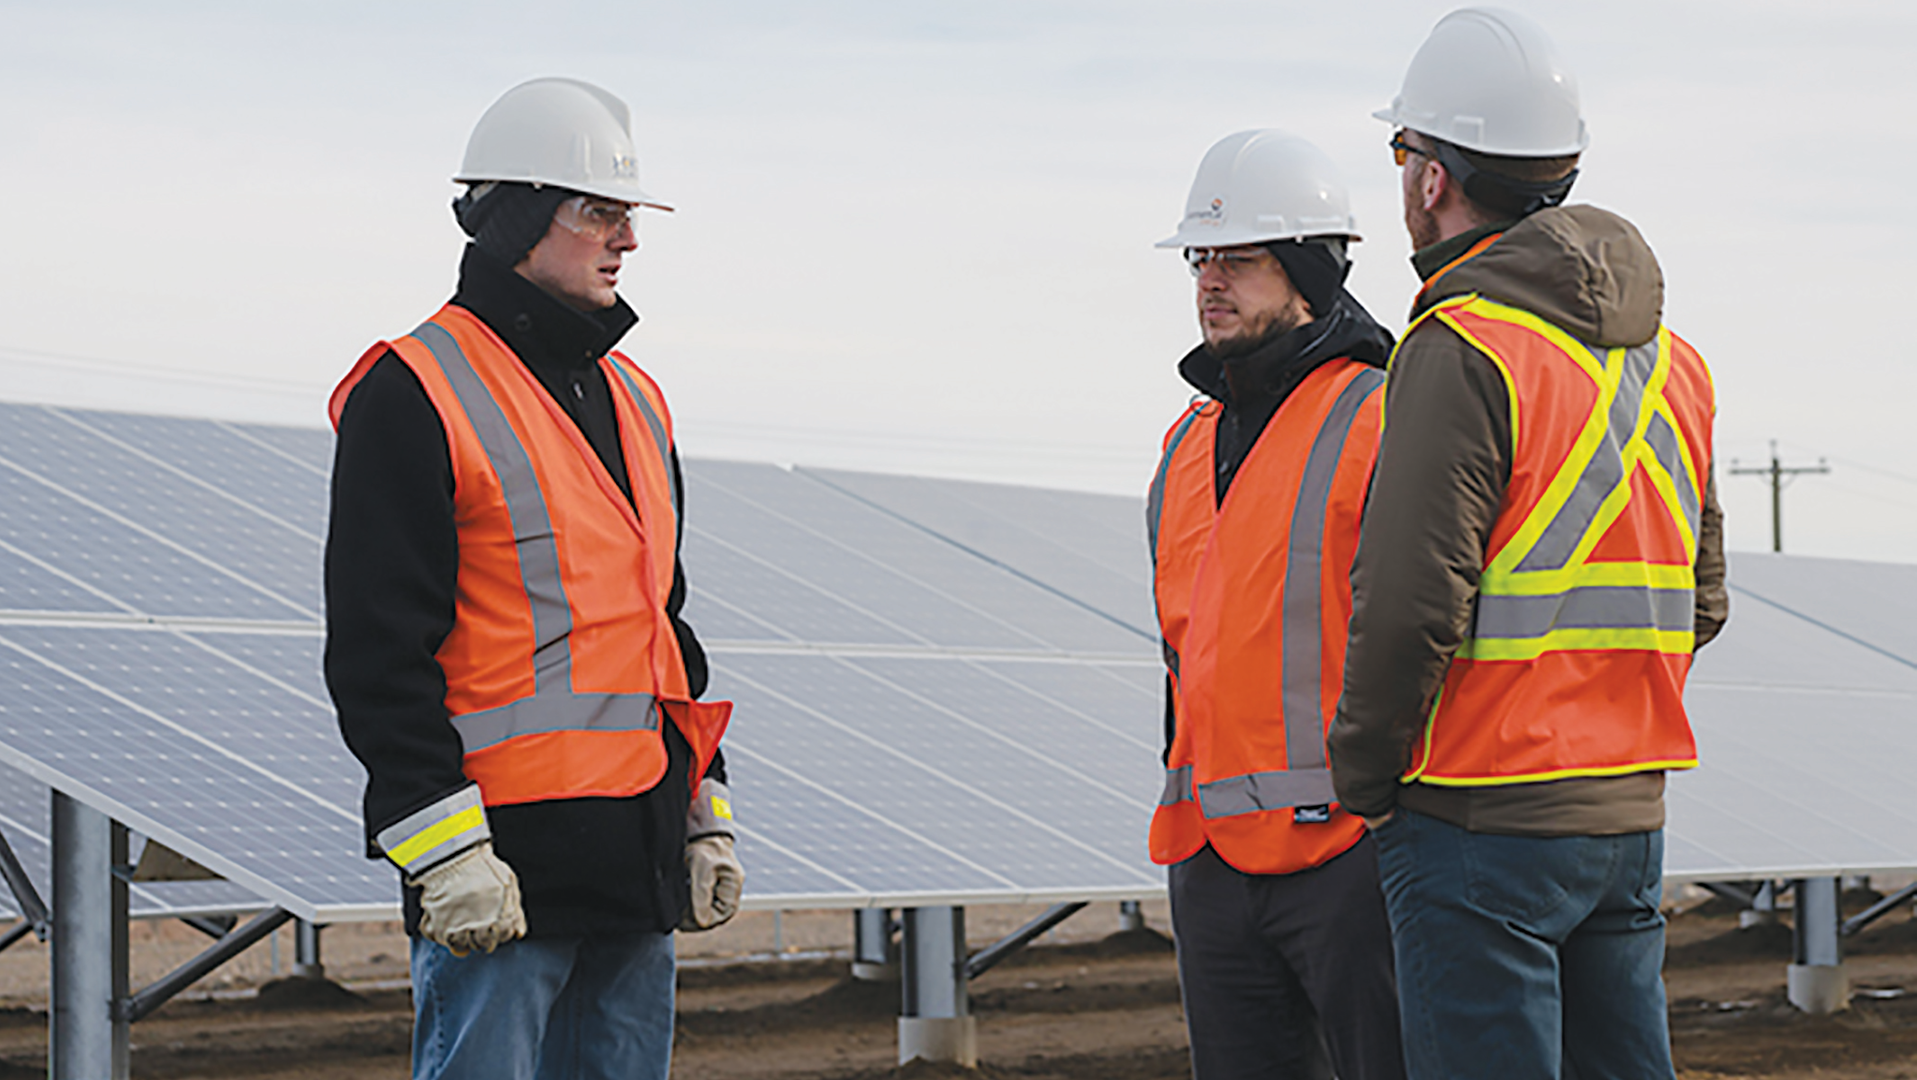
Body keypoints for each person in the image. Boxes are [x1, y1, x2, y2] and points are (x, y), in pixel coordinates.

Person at [1328, 9, 1728, 1079]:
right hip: (1627, 815)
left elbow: (1411, 601)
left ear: (1430, 178)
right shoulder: (1671, 361)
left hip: (1475, 814)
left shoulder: (1461, 345)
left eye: (1402, 152)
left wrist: (1365, 780)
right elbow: (1704, 598)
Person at [324, 77, 743, 1080]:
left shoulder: (638, 400)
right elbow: (381, 655)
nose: (628, 239)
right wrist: (442, 852)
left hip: (635, 869)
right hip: (498, 875)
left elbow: (663, 634)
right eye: (600, 210)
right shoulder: (413, 389)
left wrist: (704, 812)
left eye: (628, 214)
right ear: (519, 215)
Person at [1148, 129, 1406, 1080]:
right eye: (1200, 259)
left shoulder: (1379, 412)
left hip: (1351, 854)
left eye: (1240, 261)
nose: (1211, 281)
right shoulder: (1188, 440)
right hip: (1209, 856)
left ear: (1308, 272)